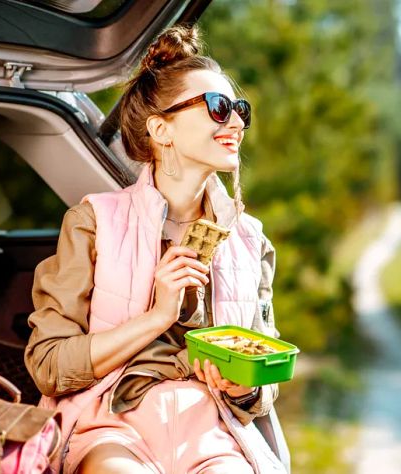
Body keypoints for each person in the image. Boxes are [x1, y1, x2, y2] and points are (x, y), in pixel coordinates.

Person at [24, 25, 283, 474]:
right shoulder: (93, 222)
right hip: (110, 424)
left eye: (240, 109)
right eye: (219, 109)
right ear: (161, 129)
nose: (237, 123)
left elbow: (267, 370)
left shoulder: (250, 239)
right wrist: (157, 316)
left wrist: (246, 388)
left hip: (214, 426)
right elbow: (48, 365)